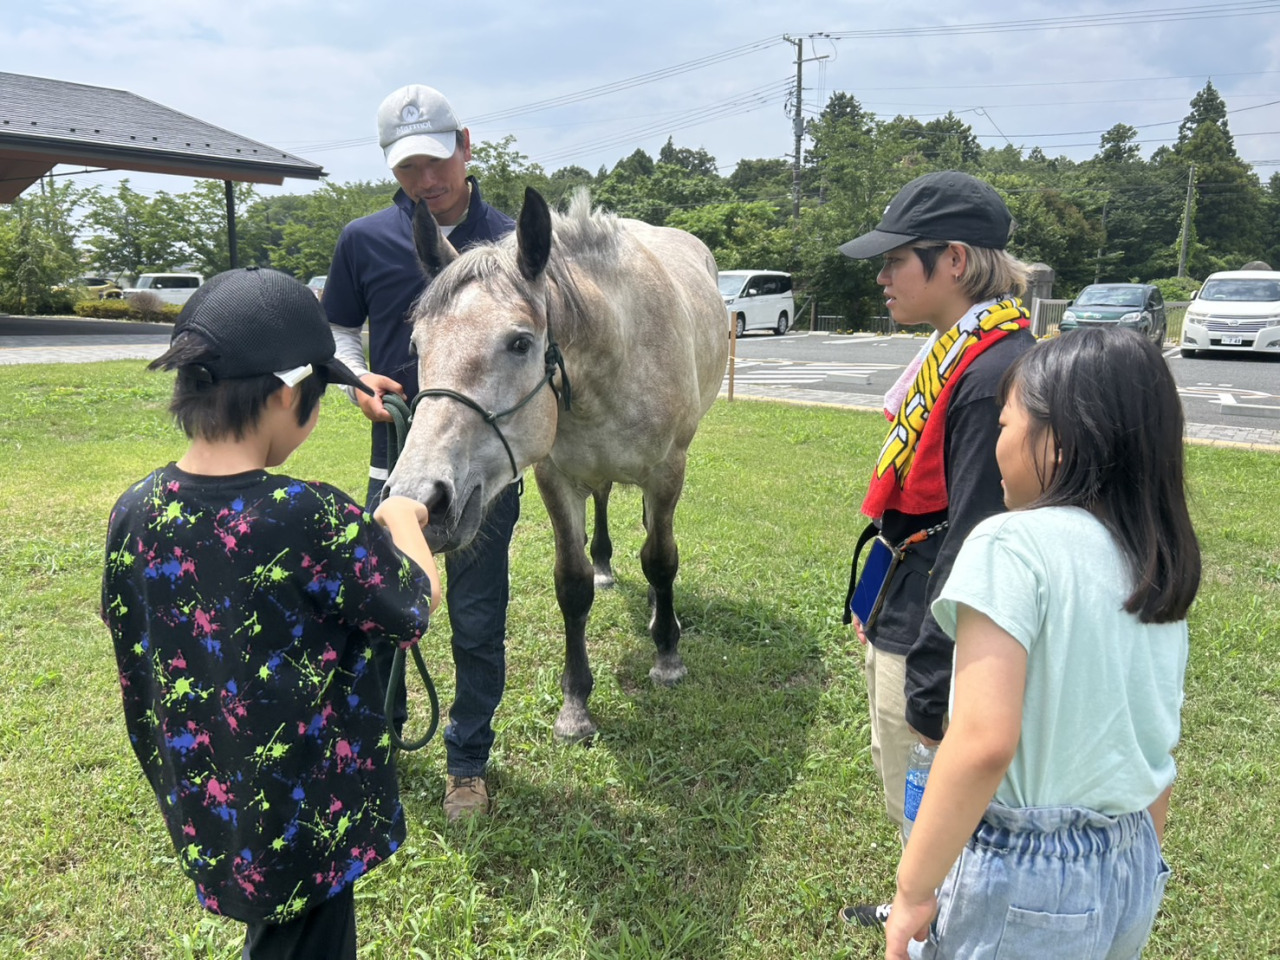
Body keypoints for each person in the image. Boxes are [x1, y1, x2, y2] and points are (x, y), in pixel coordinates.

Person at [100, 267, 442, 958]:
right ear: (290, 395)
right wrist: (403, 517)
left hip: (210, 802)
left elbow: (128, 619)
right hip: (305, 820)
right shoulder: (305, 513)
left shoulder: (135, 509)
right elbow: (410, 606)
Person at [885, 327, 1200, 959]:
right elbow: (1154, 746)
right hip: (1133, 856)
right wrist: (1133, 860)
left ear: (1057, 438)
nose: (996, 442)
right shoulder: (1153, 564)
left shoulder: (1010, 545)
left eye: (1005, 424)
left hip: (1023, 875)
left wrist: (914, 890)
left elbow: (981, 743)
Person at [836, 171, 1037, 927]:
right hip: (909, 597)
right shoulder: (963, 351)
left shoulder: (987, 375)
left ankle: (933, 922)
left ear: (954, 260)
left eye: (897, 260)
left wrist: (927, 680)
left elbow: (978, 542)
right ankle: (919, 905)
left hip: (934, 628)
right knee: (916, 798)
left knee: (924, 791)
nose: (883, 276)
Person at [323, 84, 519, 820]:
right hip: (394, 454)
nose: (426, 181)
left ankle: (467, 763)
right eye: (408, 168)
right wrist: (352, 380)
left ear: (465, 146)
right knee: (378, 610)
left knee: (475, 615)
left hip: (477, 467)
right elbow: (340, 329)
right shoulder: (363, 239)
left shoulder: (512, 244)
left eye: (437, 161)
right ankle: (378, 745)